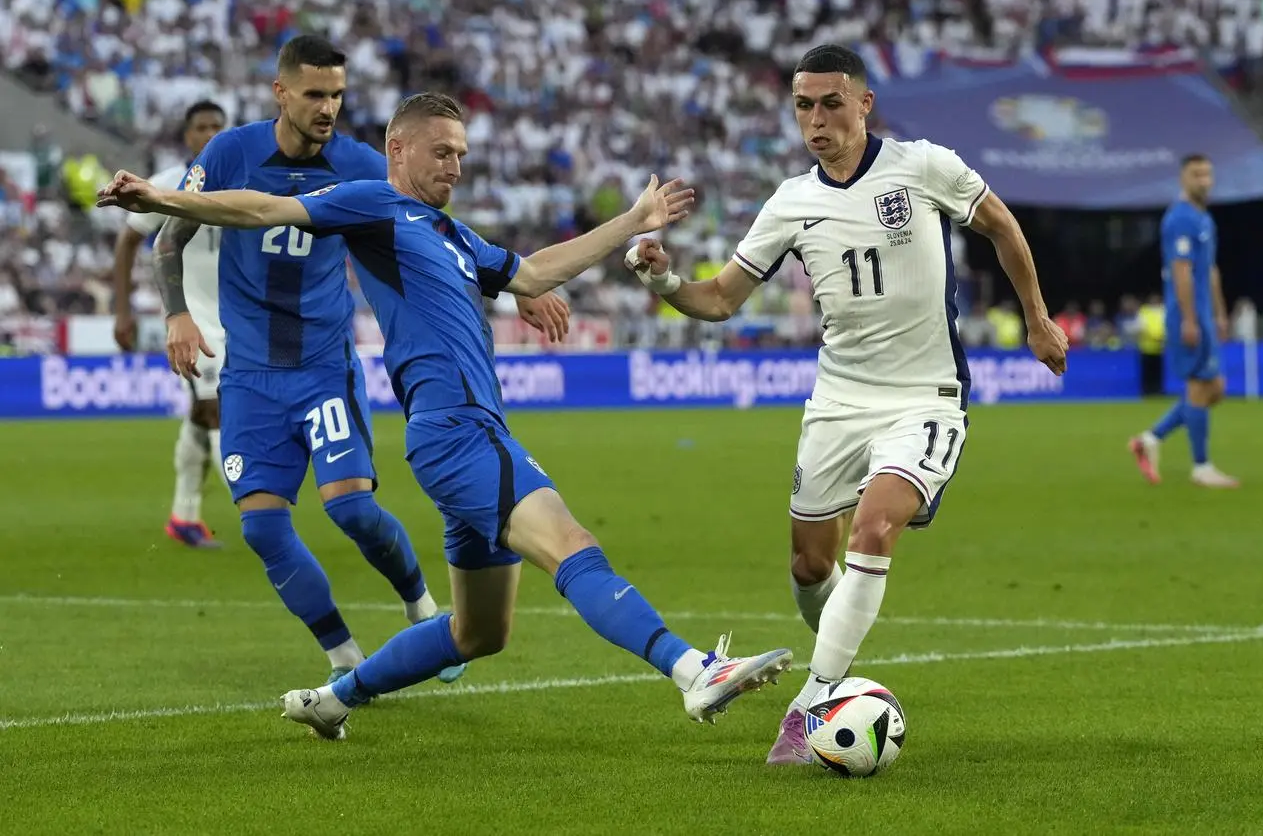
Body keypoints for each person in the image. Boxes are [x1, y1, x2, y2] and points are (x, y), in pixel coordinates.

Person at [98, 90, 793, 740]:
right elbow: (260, 210)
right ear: (398, 149)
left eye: (462, 153)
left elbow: (533, 273)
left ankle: (336, 698)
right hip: (458, 429)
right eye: (443, 152)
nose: (456, 165)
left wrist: (631, 222)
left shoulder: (453, 234)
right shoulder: (372, 204)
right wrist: (160, 196)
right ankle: (694, 669)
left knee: (478, 633)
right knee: (573, 543)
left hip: (464, 434)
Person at [622, 44, 1068, 765]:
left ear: (864, 103)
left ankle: (811, 705)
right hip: (836, 401)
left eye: (832, 102)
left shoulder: (923, 166)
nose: (817, 118)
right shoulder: (791, 203)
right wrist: (666, 279)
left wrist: (1038, 317)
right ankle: (839, 669)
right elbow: (722, 298)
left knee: (874, 527)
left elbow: (1002, 226)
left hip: (924, 397)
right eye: (804, 104)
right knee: (807, 563)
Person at [144, 36, 563, 686]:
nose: (328, 107)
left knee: (352, 509)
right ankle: (344, 656)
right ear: (280, 92)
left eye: (337, 93)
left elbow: (430, 239)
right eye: (314, 93)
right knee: (261, 526)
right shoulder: (230, 152)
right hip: (251, 374)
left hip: (323, 367)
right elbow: (170, 238)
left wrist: (515, 286)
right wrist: (176, 313)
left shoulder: (362, 164)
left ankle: (421, 604)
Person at [111, 100, 228, 548]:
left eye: (218, 125)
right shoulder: (167, 185)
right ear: (187, 136)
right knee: (216, 412)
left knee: (201, 418)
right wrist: (123, 312)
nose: (211, 133)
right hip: (192, 321)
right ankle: (260, 515)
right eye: (202, 127)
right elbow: (126, 242)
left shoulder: (239, 181)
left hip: (239, 320)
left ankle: (183, 517)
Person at [1129, 155, 1238, 488]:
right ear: (1183, 179)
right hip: (1187, 315)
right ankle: (1201, 467)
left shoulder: (1204, 218)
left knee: (1214, 388)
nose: (1204, 179)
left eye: (1207, 173)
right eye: (1196, 174)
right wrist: (1190, 319)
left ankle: (1149, 439)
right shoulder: (1179, 219)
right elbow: (1181, 272)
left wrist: (1219, 312)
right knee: (1199, 387)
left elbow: (1211, 269)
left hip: (1204, 313)